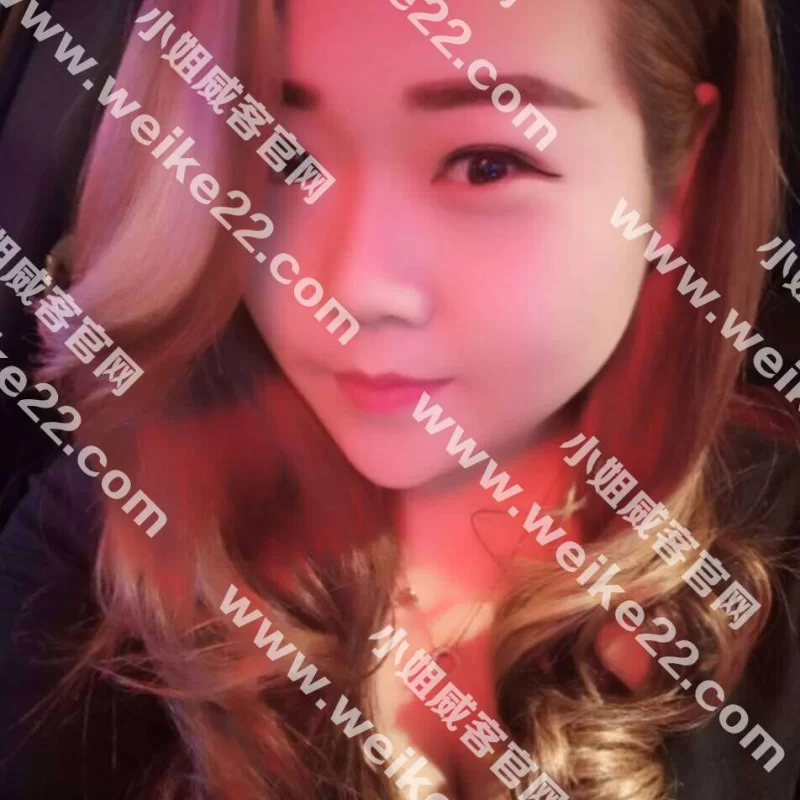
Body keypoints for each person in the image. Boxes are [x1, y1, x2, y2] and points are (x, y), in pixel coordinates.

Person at [1, 0, 799, 798]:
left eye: (487, 163)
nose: (350, 289)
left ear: (679, 179)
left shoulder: (780, 542)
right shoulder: (116, 531)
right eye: (280, 156)